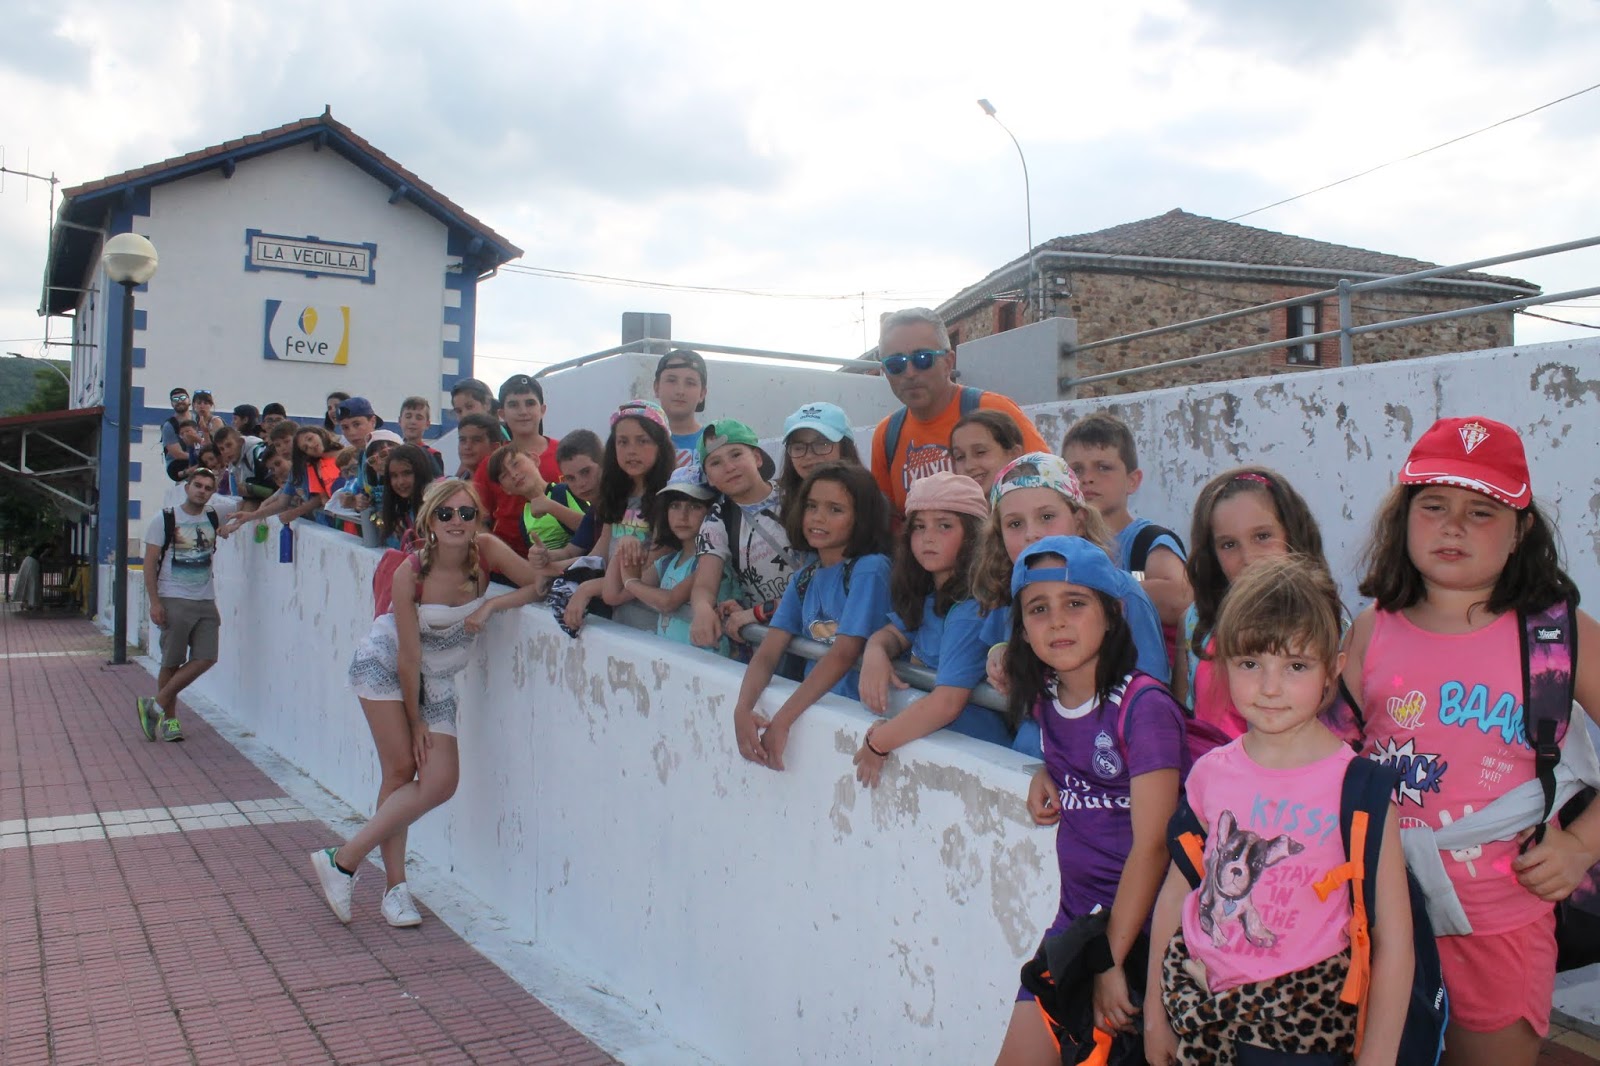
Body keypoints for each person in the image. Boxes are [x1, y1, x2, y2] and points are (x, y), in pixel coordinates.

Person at [1344, 416, 1600, 1066]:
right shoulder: (1371, 630)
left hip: (1503, 917)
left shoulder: (1555, 634)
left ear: (1521, 531)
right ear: (1404, 518)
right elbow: (1322, 757)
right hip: (1382, 913)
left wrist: (1581, 845)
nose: (1452, 526)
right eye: (1433, 505)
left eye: (1481, 511)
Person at [1145, 557, 1412, 1066]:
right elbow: (1176, 896)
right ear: (1224, 663)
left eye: (1296, 666)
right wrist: (1155, 1015)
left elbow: (1395, 941)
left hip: (1299, 1031)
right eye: (1250, 663)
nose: (1270, 687)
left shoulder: (1361, 788)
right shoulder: (1210, 773)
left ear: (1333, 667)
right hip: (1198, 1013)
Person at [313, 479, 545, 927]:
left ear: (478, 519)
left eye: (466, 513)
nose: (457, 521)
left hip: (438, 676)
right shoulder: (411, 573)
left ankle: (342, 859)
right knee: (401, 770)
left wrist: (492, 606)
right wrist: (416, 719)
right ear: (429, 520)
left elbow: (537, 585)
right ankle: (394, 890)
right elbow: (408, 655)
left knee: (440, 781)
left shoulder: (487, 551)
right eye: (446, 513)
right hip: (387, 665)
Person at [993, 536, 1188, 1066]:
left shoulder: (1144, 707)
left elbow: (1153, 845)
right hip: (1075, 930)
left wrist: (1109, 960)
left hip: (1141, 942)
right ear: (1022, 629)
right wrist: (1044, 770)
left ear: (1112, 613)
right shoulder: (1046, 698)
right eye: (1038, 609)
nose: (1057, 621)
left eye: (1075, 603)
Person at [973, 454, 1170, 756]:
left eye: (1046, 517)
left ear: (1079, 521)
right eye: (1015, 524)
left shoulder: (1123, 593)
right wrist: (998, 653)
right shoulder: (1012, 593)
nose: (1031, 533)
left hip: (1109, 757)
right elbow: (1000, 642)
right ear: (999, 536)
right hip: (1035, 752)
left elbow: (1153, 694)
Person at [730, 462, 892, 770]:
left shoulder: (870, 569)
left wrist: (782, 720)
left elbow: (844, 653)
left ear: (862, 517)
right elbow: (767, 653)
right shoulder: (805, 578)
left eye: (835, 509)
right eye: (811, 506)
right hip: (823, 714)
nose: (818, 517)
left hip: (862, 718)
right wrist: (742, 708)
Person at [855, 472, 1008, 784]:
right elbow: (894, 634)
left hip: (974, 759)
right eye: (919, 526)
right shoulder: (930, 598)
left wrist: (878, 742)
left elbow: (947, 703)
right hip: (938, 749)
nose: (928, 537)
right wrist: (875, 650)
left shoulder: (970, 609)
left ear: (974, 536)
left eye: (944, 525)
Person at [1183, 467, 1327, 740]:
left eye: (1262, 536)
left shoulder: (1328, 623)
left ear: (1292, 534)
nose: (1248, 558)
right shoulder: (1198, 621)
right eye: (1228, 545)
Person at [869, 307, 1048, 515]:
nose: (910, 373)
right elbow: (888, 521)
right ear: (885, 372)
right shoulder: (887, 435)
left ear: (948, 362)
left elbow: (1050, 488)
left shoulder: (992, 410)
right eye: (895, 364)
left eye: (923, 359)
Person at [1061, 412, 1192, 667]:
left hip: (1142, 680)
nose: (1087, 478)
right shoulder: (1062, 545)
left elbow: (1179, 598)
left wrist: (1095, 589)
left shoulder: (1148, 540)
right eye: (1076, 470)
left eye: (1103, 467)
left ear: (1132, 481)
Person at [138, 468, 239, 742]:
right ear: (187, 487)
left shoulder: (214, 514)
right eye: (198, 485)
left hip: (205, 598)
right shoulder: (164, 519)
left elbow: (249, 505)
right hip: (173, 597)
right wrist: (155, 602)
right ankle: (170, 721)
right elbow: (149, 562)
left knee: (207, 657)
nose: (202, 491)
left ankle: (155, 705)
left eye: (208, 487)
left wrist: (232, 526)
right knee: (172, 661)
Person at [689, 419, 805, 656]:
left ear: (757, 458)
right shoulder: (718, 519)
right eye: (716, 462)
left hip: (815, 624)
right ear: (709, 478)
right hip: (771, 639)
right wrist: (702, 609)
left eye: (736, 454)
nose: (729, 467)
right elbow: (704, 584)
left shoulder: (796, 497)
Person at [561, 400, 675, 630]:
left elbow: (647, 572)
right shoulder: (616, 495)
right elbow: (600, 555)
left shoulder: (670, 498)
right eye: (623, 442)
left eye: (642, 440)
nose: (631, 450)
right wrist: (552, 567)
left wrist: (586, 589)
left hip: (655, 625)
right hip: (620, 620)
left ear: (661, 445)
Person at [603, 464, 729, 652]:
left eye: (695, 506)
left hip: (709, 661)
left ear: (712, 511)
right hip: (675, 660)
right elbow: (613, 595)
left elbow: (668, 601)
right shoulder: (667, 562)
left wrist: (631, 582)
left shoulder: (712, 561)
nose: (683, 516)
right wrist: (623, 548)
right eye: (675, 505)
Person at [474, 374, 561, 548]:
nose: (523, 411)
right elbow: (476, 520)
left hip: (566, 555)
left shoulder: (565, 453)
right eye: (513, 405)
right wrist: (501, 555)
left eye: (530, 403)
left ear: (542, 410)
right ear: (502, 414)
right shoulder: (490, 465)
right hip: (506, 560)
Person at [218, 425, 341, 537]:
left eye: (287, 441)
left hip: (336, 525)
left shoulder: (312, 464)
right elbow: (281, 502)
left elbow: (319, 498)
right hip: (324, 526)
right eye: (278, 445)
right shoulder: (295, 471)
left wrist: (295, 512)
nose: (283, 448)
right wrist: (250, 516)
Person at [486, 442, 585, 557]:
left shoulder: (566, 491)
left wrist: (550, 506)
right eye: (504, 475)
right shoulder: (524, 519)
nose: (513, 474)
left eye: (516, 464)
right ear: (505, 489)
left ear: (534, 459)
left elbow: (594, 527)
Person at [777, 402, 861, 527]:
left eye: (822, 444)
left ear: (845, 448)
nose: (809, 455)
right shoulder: (778, 506)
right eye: (799, 447)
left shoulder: (869, 502)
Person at [949, 409, 1027, 495]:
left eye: (980, 452)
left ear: (1014, 455)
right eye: (960, 457)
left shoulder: (1035, 501)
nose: (969, 466)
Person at [653, 349, 709, 467]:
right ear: (656, 388)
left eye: (690, 383)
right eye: (671, 380)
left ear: (702, 394)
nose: (680, 391)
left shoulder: (714, 443)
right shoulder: (638, 442)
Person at [437, 377, 499, 478]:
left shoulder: (503, 435)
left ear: (487, 404)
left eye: (469, 407)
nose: (465, 415)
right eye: (459, 411)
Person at [379, 444, 436, 548]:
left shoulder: (438, 509)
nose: (400, 482)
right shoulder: (398, 510)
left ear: (421, 472)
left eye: (407, 473)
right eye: (394, 476)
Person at [398, 395, 446, 474]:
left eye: (419, 418)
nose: (413, 421)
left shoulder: (433, 455)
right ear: (400, 421)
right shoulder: (392, 453)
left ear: (427, 424)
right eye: (408, 416)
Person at [453, 412, 499, 484]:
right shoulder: (457, 483)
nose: (467, 447)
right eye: (462, 440)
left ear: (495, 447)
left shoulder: (504, 485)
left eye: (476, 440)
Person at [159, 387, 194, 464]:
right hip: (177, 464)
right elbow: (177, 454)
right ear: (172, 404)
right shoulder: (169, 426)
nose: (179, 401)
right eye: (175, 399)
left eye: (183, 398)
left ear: (189, 400)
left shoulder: (199, 419)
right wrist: (199, 458)